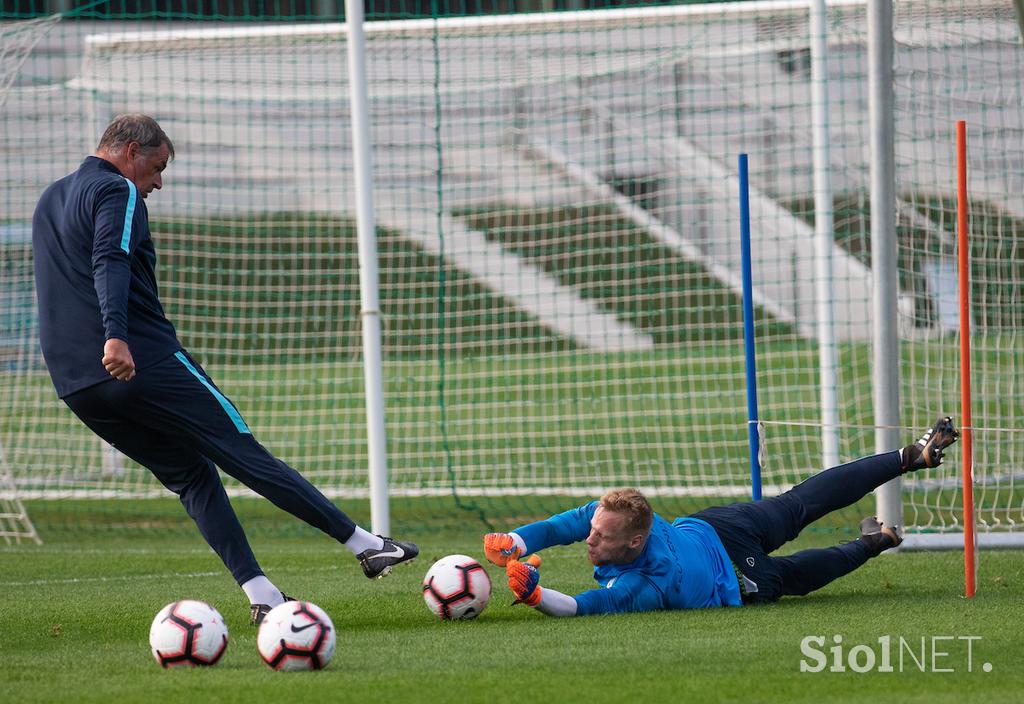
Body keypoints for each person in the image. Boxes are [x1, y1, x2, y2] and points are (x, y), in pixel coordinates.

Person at [32, 113, 418, 625]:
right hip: (138, 359)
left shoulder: (47, 200)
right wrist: (117, 335)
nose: (158, 182)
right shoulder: (117, 191)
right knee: (242, 451)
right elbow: (111, 259)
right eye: (157, 166)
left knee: (191, 476)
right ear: (129, 151)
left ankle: (263, 595)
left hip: (76, 382)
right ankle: (366, 545)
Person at [483, 417, 960, 616]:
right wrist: (516, 543)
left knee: (792, 574)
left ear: (634, 542)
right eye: (593, 532)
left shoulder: (647, 585)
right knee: (798, 505)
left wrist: (536, 594)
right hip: (717, 526)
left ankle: (872, 539)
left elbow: (587, 607)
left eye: (600, 538)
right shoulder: (615, 515)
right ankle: (907, 459)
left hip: (735, 577)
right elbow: (562, 527)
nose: (589, 541)